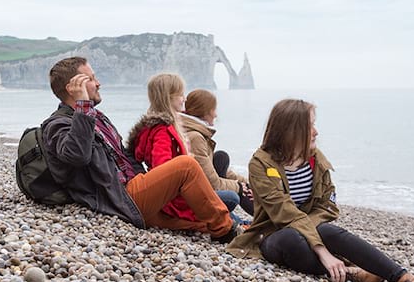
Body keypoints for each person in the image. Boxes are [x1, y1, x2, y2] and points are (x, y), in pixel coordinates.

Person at [227, 99, 414, 282]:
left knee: (328, 231)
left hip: (314, 227)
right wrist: (322, 251)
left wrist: (314, 232)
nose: (316, 131)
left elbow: (328, 205)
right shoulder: (261, 163)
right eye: (310, 125)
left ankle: (407, 281)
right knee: (292, 239)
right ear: (292, 129)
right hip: (274, 233)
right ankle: (350, 273)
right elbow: (283, 212)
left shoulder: (315, 159)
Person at [41, 57, 235, 241]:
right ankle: (227, 230)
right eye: (91, 79)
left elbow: (126, 156)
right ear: (73, 88)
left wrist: (154, 185)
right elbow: (77, 156)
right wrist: (82, 106)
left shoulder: (97, 117)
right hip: (120, 197)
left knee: (201, 223)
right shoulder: (58, 124)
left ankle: (240, 231)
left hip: (134, 192)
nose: (98, 83)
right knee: (187, 166)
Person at [125, 74, 242, 227]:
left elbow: (138, 155)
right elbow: (164, 169)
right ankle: (231, 225)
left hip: (173, 196)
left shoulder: (150, 128)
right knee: (232, 198)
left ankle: (239, 222)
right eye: (180, 94)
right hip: (175, 201)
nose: (184, 99)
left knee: (225, 196)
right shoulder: (162, 131)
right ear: (169, 98)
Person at [180, 89, 254, 217]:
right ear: (205, 112)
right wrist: (240, 187)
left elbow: (219, 172)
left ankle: (263, 218)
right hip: (195, 195)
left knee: (221, 158)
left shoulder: (194, 132)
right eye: (214, 110)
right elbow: (213, 184)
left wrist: (249, 183)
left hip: (200, 187)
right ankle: (267, 219)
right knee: (234, 195)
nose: (216, 115)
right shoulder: (195, 138)